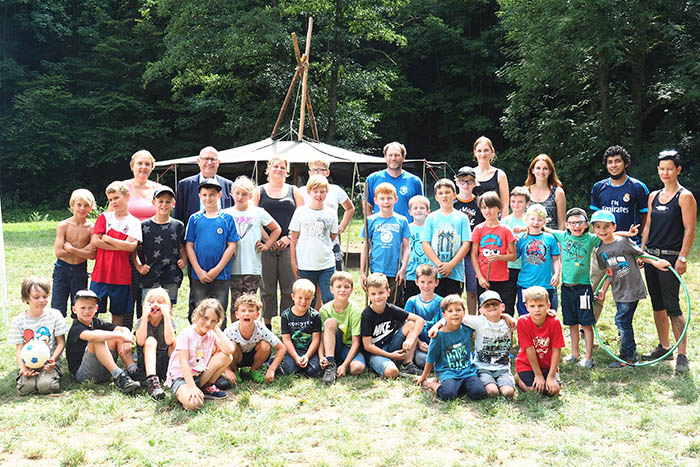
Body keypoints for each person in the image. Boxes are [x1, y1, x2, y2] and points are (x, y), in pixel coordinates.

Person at [591, 210, 671, 368]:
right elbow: (609, 272)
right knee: (624, 321)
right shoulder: (600, 251)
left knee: (622, 321)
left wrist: (656, 263)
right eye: (598, 227)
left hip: (632, 289)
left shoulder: (623, 242)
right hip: (618, 291)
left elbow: (641, 254)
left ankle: (628, 356)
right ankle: (628, 354)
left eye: (606, 226)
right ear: (593, 229)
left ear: (614, 227)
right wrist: (603, 290)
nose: (602, 230)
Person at [641, 150, 697, 373]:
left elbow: (690, 230)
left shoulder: (684, 196)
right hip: (652, 256)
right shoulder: (654, 195)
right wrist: (642, 252)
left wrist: (682, 257)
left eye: (669, 169)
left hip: (671, 258)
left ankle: (682, 354)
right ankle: (665, 347)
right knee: (657, 304)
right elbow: (647, 226)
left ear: (678, 170)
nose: (665, 172)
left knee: (673, 305)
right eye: (662, 169)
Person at [590, 145, 649, 320]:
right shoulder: (598, 187)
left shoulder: (638, 187)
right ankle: (588, 329)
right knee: (594, 287)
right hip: (601, 248)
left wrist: (641, 248)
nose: (614, 165)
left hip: (626, 248)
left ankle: (622, 331)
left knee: (624, 290)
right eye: (610, 162)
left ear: (626, 163)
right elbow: (594, 219)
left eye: (617, 161)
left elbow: (646, 220)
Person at [428, 291, 517, 398]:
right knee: (491, 392)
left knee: (507, 393)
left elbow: (526, 321)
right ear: (481, 310)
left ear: (502, 306)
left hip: (502, 368)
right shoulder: (478, 321)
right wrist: (437, 326)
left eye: (495, 304)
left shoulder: (509, 323)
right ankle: (435, 384)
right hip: (483, 367)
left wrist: (505, 316)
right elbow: (452, 316)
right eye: (487, 305)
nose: (492, 307)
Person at [252, 157, 305, 329]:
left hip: (289, 245)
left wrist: (289, 237)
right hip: (266, 245)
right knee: (267, 288)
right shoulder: (259, 191)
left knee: (289, 287)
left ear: (287, 171)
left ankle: (287, 324)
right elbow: (254, 218)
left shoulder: (294, 191)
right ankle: (266, 325)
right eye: (275, 166)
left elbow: (302, 216)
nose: (279, 169)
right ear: (268, 169)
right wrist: (269, 239)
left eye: (283, 167)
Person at [548, 208, 601, 368]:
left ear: (586, 225)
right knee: (572, 323)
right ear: (566, 225)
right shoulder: (562, 236)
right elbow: (544, 227)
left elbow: (611, 236)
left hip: (583, 288)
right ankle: (575, 353)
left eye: (579, 222)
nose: (576, 226)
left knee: (586, 323)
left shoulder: (590, 239)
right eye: (572, 223)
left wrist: (629, 234)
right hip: (566, 288)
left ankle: (589, 357)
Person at [222, 176, 280, 321]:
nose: (240, 197)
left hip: (252, 266)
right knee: (235, 304)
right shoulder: (225, 213)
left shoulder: (258, 212)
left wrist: (267, 245)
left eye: (244, 194)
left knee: (250, 304)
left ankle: (250, 335)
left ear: (250, 195)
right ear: (232, 193)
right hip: (233, 266)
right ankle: (235, 337)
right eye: (237, 193)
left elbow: (276, 229)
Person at [185, 178, 239, 325]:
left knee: (219, 311)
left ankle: (219, 345)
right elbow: (189, 245)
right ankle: (199, 342)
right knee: (200, 310)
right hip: (199, 274)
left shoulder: (227, 219)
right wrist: (198, 270)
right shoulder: (194, 219)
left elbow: (232, 246)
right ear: (199, 196)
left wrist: (216, 270)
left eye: (212, 194)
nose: (208, 198)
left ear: (219, 196)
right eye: (205, 195)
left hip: (221, 275)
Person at [414, 294, 486, 401]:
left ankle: (460, 386)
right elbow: (430, 358)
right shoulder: (438, 336)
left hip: (467, 371)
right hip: (448, 372)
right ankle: (432, 384)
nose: (455, 314)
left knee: (479, 393)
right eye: (450, 311)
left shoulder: (467, 328)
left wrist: (505, 316)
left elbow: (485, 320)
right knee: (449, 394)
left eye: (458, 310)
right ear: (443, 314)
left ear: (464, 312)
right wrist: (423, 377)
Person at [165, 298, 235, 409]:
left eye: (213, 321)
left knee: (227, 356)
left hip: (199, 376)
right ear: (198, 315)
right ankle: (185, 394)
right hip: (182, 378)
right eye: (206, 318)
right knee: (196, 404)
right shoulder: (186, 334)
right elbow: (183, 362)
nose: (208, 323)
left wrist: (216, 329)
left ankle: (206, 387)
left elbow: (229, 349)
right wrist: (191, 386)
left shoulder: (211, 333)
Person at [66, 290, 140, 393]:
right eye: (82, 308)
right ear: (74, 310)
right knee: (97, 339)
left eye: (90, 308)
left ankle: (133, 371)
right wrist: (121, 336)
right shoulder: (76, 327)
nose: (87, 311)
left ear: (96, 309)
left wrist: (125, 338)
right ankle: (120, 376)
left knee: (116, 336)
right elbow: (93, 336)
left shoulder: (95, 322)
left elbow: (122, 329)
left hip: (104, 371)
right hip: (84, 374)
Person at [89, 181, 142, 327]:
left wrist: (107, 238)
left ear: (127, 196)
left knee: (118, 313)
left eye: (116, 198)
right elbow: (95, 241)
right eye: (110, 199)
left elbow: (131, 247)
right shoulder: (104, 218)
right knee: (92, 310)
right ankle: (92, 344)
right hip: (100, 273)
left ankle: (115, 346)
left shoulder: (134, 222)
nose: (113, 202)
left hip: (121, 275)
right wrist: (120, 246)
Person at [9, 276, 68, 395]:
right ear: (25, 298)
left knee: (45, 386)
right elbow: (19, 348)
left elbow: (61, 343)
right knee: (25, 388)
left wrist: (53, 360)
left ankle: (52, 376)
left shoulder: (55, 315)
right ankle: (27, 378)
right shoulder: (19, 321)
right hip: (28, 363)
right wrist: (23, 368)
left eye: (45, 296)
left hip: (49, 363)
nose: (42, 300)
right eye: (36, 297)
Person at [361, 273, 424, 378]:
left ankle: (408, 364)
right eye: (373, 294)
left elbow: (420, 320)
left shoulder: (390, 308)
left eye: (381, 293)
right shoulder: (366, 315)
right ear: (368, 294)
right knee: (392, 372)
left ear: (388, 292)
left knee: (411, 324)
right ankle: (384, 366)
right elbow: (367, 346)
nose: (377, 297)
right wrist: (390, 355)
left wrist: (410, 340)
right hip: (375, 353)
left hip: (391, 345)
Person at [289, 175, 339, 305]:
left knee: (329, 298)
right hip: (305, 263)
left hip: (326, 264)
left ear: (326, 193)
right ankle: (310, 325)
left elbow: (332, 236)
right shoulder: (300, 212)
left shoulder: (331, 213)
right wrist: (294, 263)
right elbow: (294, 239)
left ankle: (329, 325)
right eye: (315, 191)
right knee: (308, 299)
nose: (319, 195)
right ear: (309, 192)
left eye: (322, 192)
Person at [299, 159, 355, 271]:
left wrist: (342, 226)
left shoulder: (335, 190)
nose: (317, 173)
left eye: (321, 170)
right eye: (314, 170)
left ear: (327, 172)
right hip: (308, 242)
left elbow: (350, 208)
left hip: (331, 241)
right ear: (309, 172)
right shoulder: (301, 191)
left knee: (335, 276)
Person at [134, 186, 186, 306]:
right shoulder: (144, 226)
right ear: (153, 202)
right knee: (149, 308)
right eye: (160, 201)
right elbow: (134, 249)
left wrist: (184, 259)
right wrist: (139, 266)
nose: (164, 205)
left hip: (171, 274)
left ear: (173, 204)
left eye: (168, 202)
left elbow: (183, 246)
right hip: (150, 275)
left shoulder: (178, 225)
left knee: (168, 308)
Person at [360, 182, 411, 305]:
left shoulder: (402, 221)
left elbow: (407, 247)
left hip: (395, 271)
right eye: (382, 198)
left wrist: (403, 269)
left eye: (389, 198)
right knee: (377, 301)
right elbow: (365, 246)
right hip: (376, 269)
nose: (386, 202)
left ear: (395, 199)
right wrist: (362, 271)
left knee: (394, 302)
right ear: (376, 200)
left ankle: (394, 325)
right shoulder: (370, 220)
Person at [421, 179, 472, 297]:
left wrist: (451, 265)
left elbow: (466, 244)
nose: (444, 196)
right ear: (436, 197)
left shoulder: (462, 218)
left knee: (452, 305)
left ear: (454, 195)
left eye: (447, 192)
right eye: (441, 193)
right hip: (434, 273)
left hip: (455, 272)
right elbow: (425, 243)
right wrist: (439, 265)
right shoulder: (431, 218)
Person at [223, 293, 286, 385]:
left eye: (251, 311)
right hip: (237, 357)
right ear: (237, 314)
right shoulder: (231, 330)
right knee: (230, 345)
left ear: (257, 314)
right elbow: (217, 349)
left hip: (254, 357)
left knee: (265, 345)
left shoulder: (261, 328)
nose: (247, 314)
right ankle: (235, 371)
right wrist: (227, 370)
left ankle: (254, 370)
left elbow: (282, 348)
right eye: (243, 310)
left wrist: (272, 369)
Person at [52, 189, 96, 317]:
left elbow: (93, 254)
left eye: (86, 205)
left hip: (80, 270)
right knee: (57, 308)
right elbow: (59, 252)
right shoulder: (63, 225)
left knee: (79, 307)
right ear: (72, 205)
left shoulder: (91, 228)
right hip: (62, 269)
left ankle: (77, 336)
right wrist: (83, 252)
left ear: (91, 207)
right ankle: (57, 336)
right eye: (79, 205)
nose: (82, 208)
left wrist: (72, 250)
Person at [514, 286, 564, 396]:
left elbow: (556, 350)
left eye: (541, 305)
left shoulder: (554, 322)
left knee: (553, 391)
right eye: (532, 306)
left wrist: (551, 376)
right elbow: (530, 349)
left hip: (547, 365)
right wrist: (538, 375)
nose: (537, 309)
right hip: (527, 364)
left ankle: (549, 377)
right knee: (535, 390)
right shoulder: (522, 322)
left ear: (548, 305)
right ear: (527, 307)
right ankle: (518, 378)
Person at [318, 271, 366, 384]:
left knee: (357, 368)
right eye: (338, 286)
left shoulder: (354, 309)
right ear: (331, 289)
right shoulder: (325, 310)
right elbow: (321, 338)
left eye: (346, 287)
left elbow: (355, 342)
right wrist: (321, 356)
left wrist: (345, 365)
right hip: (331, 347)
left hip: (348, 349)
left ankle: (340, 365)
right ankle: (330, 365)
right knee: (330, 322)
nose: (342, 290)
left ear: (352, 289)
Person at [515, 204, 561, 315]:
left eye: (540, 220)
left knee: (545, 313)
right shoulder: (522, 238)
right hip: (526, 283)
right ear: (526, 219)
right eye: (532, 219)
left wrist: (556, 274)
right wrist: (511, 242)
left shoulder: (549, 238)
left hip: (545, 283)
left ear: (545, 221)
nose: (536, 223)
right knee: (525, 314)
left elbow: (556, 259)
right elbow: (514, 256)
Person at [470, 191, 516, 300]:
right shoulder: (478, 229)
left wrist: (499, 257)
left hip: (502, 278)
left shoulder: (506, 230)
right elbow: (473, 255)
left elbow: (513, 256)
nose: (487, 211)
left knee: (503, 307)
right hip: (484, 278)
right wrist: (480, 277)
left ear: (498, 208)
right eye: (484, 208)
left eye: (490, 207)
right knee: (484, 308)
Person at [173, 146, 234, 226]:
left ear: (218, 163)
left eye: (213, 159)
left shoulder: (228, 185)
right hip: (194, 236)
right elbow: (178, 217)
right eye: (205, 159)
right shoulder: (185, 185)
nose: (209, 162)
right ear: (198, 161)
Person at [365, 141, 424, 222]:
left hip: (407, 231)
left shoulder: (414, 181)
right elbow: (367, 204)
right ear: (385, 157)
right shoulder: (372, 179)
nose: (393, 158)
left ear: (404, 157)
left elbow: (421, 207)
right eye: (390, 155)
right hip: (380, 231)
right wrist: (371, 225)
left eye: (397, 155)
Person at [134, 288, 176, 400]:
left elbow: (169, 341)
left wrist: (167, 316)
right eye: (151, 302)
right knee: (150, 341)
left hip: (164, 362)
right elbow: (140, 341)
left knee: (176, 342)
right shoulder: (141, 321)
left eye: (160, 302)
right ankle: (152, 382)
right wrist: (144, 317)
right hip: (146, 364)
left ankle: (175, 375)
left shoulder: (169, 321)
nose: (155, 305)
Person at [276, 279, 323, 378]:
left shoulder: (315, 315)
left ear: (312, 299)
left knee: (314, 371)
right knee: (287, 370)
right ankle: (276, 361)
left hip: (310, 350)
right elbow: (286, 339)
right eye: (300, 298)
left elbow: (316, 339)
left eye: (307, 298)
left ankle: (303, 366)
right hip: (293, 350)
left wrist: (307, 356)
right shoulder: (286, 315)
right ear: (293, 296)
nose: (303, 301)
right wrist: (296, 357)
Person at [453, 166, 483, 314]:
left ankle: (472, 319)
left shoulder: (479, 203)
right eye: (462, 181)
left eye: (470, 181)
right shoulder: (452, 203)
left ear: (475, 183)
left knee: (472, 288)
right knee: (455, 288)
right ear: (457, 183)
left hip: (473, 252)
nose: (466, 185)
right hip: (454, 252)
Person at [404, 264, 443, 369]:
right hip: (418, 345)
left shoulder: (441, 302)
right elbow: (408, 327)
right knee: (422, 361)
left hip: (437, 344)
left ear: (436, 283)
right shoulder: (412, 302)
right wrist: (419, 343)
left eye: (430, 282)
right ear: (416, 282)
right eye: (422, 282)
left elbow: (445, 325)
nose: (426, 286)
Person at [501, 186, 530, 316]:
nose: (516, 205)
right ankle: (509, 332)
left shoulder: (530, 221)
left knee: (525, 301)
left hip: (526, 267)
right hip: (509, 267)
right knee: (508, 301)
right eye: (513, 201)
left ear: (527, 203)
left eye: (520, 202)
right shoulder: (505, 221)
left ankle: (526, 331)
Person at [524, 154, 566, 230]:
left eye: (545, 168)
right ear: (533, 170)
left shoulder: (558, 192)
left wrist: (560, 241)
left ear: (550, 171)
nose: (541, 171)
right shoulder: (525, 191)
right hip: (529, 239)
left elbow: (562, 223)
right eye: (538, 168)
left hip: (551, 239)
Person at [471, 136, 510, 213]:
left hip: (494, 220)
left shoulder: (500, 175)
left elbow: (505, 206)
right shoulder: (470, 175)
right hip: (474, 220)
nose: (483, 154)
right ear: (475, 153)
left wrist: (502, 223)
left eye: (486, 150)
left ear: (492, 151)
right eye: (479, 151)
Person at [404, 195, 431, 300]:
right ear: (410, 211)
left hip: (428, 274)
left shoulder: (431, 228)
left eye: (422, 208)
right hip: (410, 273)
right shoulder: (407, 228)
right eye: (415, 208)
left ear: (428, 211)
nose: (418, 210)